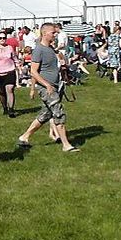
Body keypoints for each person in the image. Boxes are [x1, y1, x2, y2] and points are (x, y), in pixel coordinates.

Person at [15, 24, 80, 152]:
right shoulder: (39, 50)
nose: (55, 35)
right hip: (47, 88)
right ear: (44, 33)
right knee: (58, 113)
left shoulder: (51, 49)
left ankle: (24, 137)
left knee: (46, 114)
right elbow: (33, 71)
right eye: (53, 33)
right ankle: (66, 145)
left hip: (55, 85)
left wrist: (62, 65)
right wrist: (45, 85)